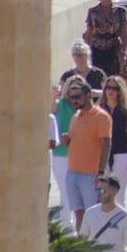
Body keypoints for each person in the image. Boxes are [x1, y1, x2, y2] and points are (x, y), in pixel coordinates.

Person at [63, 80, 112, 230]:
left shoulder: (101, 116)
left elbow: (106, 144)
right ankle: (82, 247)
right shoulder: (76, 116)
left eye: (77, 96)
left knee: (94, 213)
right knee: (78, 213)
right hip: (72, 172)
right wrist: (67, 140)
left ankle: (98, 248)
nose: (74, 100)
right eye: (71, 97)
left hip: (91, 174)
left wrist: (101, 172)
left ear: (88, 95)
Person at [78, 176, 127, 252]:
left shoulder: (126, 218)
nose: (98, 194)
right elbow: (82, 242)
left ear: (114, 191)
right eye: (97, 190)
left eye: (102, 190)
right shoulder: (89, 213)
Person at [84, 0, 127, 88]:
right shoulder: (93, 12)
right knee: (98, 82)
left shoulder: (121, 11)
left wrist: (124, 52)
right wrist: (86, 54)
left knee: (115, 82)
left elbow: (124, 34)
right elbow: (89, 34)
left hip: (114, 50)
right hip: (97, 51)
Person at [99, 76, 127, 205]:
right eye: (108, 88)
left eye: (115, 88)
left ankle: (120, 223)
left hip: (121, 153)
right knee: (103, 194)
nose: (111, 91)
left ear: (120, 91)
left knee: (119, 195)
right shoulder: (99, 110)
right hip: (102, 156)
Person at [50, 78, 83, 218]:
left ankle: (77, 223)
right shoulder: (60, 104)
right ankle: (67, 225)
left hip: (80, 154)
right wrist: (53, 96)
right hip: (61, 154)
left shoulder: (85, 107)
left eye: (78, 88)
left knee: (77, 191)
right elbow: (51, 106)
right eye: (71, 87)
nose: (74, 92)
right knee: (65, 190)